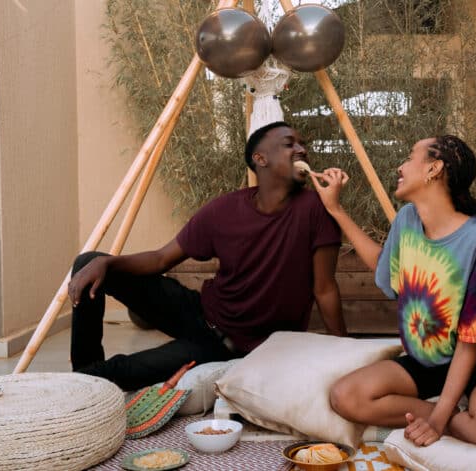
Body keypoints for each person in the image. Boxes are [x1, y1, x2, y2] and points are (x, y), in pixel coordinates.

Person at [68, 122, 346, 391]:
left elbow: (324, 289)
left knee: (118, 374)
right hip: (198, 312)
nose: (301, 149)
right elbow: (161, 259)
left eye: (302, 144)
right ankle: (84, 383)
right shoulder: (224, 210)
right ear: (260, 158)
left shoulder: (317, 210)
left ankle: (82, 386)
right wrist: (108, 262)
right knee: (88, 263)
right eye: (289, 144)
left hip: (222, 347)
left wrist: (345, 355)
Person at [309, 135, 476, 447]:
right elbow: (384, 264)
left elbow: (472, 336)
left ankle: (460, 409)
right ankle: (457, 413)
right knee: (346, 396)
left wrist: (438, 421)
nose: (400, 166)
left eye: (410, 157)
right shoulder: (407, 220)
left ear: (434, 168)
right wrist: (335, 209)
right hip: (430, 359)